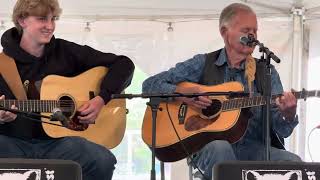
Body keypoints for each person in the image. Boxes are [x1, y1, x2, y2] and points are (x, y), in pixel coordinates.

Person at [142, 3, 301, 180]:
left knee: (293, 163)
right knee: (220, 148)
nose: (252, 35)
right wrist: (183, 94)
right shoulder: (203, 63)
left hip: (255, 149)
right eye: (246, 30)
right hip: (209, 147)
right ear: (225, 32)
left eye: (255, 31)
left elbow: (282, 130)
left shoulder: (266, 72)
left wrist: (288, 114)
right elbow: (150, 84)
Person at [0, 0, 134, 180]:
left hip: (60, 145)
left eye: (53, 19)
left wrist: (101, 99)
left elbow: (123, 64)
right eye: (42, 19)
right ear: (22, 20)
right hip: (13, 144)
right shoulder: (2, 64)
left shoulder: (66, 52)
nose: (50, 26)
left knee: (102, 160)